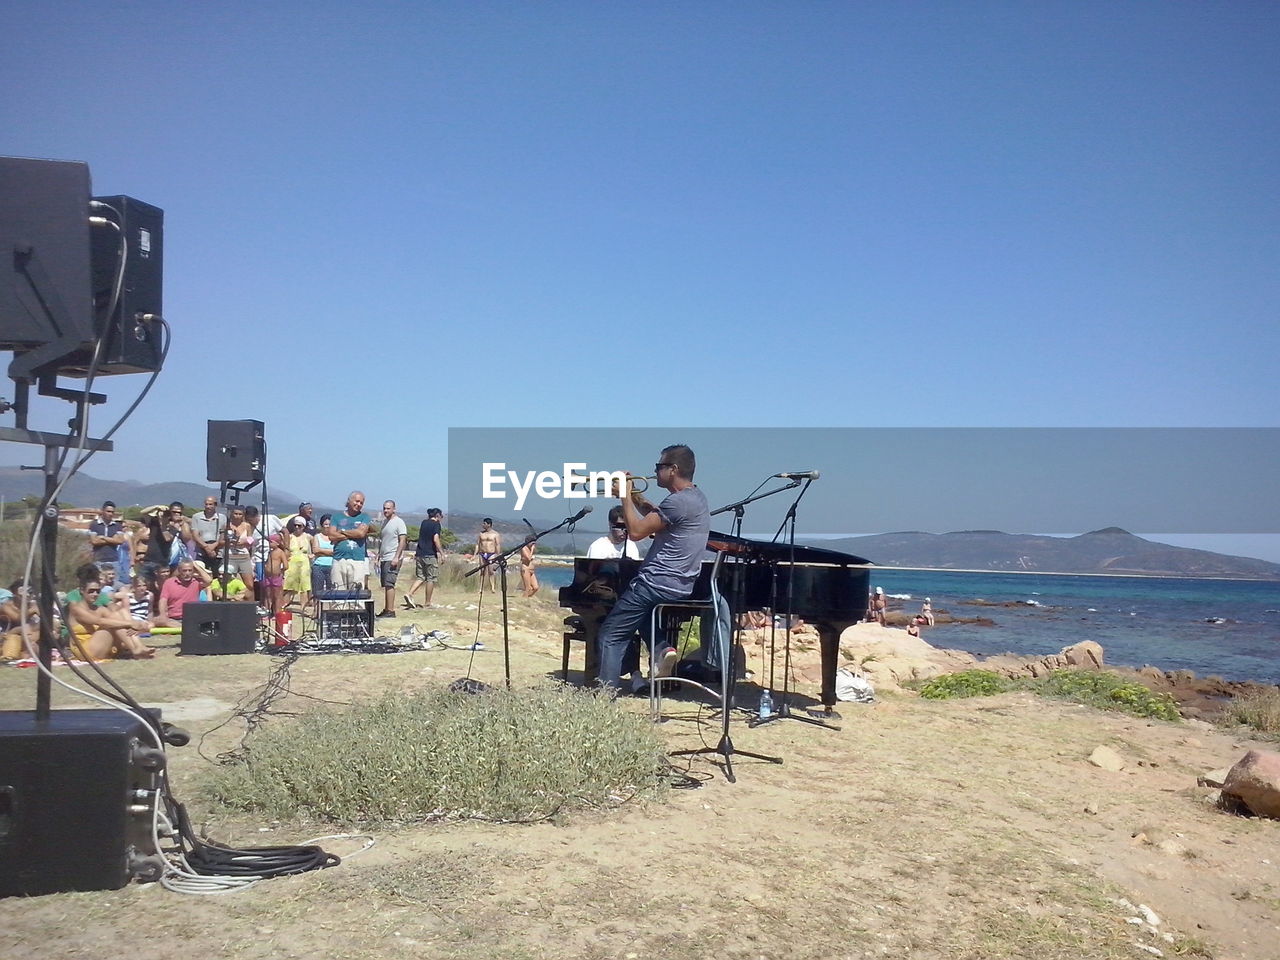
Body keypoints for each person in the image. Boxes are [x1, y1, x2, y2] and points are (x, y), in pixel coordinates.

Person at [595, 444, 710, 694]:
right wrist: (633, 493)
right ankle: (661, 649)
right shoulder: (695, 498)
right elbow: (653, 517)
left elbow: (635, 532)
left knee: (610, 636)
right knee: (639, 612)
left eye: (659, 466)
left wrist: (624, 495)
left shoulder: (678, 502)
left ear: (673, 469)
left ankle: (602, 702)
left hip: (655, 582)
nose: (655, 471)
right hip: (679, 585)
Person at [66, 573, 154, 660]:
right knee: (111, 624)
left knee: (121, 613)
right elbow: (99, 621)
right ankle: (135, 649)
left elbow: (117, 615)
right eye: (91, 591)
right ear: (82, 590)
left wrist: (135, 623)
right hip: (85, 648)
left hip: (100, 644)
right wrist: (131, 623)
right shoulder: (76, 608)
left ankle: (138, 646)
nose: (95, 594)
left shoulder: (99, 609)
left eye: (98, 591)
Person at [329, 491, 371, 591]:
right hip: (339, 559)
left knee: (356, 594)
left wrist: (342, 532)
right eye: (357, 501)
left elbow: (361, 533)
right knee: (337, 593)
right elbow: (331, 535)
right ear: (349, 500)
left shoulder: (365, 517)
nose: (359, 504)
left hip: (357, 560)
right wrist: (353, 534)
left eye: (361, 503)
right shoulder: (336, 517)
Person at [152, 559, 213, 627]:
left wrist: (196, 566)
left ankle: (183, 627)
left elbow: (209, 580)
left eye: (190, 570)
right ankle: (184, 627)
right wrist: (162, 615)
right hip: (173, 618)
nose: (187, 573)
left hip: (191, 618)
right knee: (157, 620)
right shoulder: (169, 582)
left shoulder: (196, 582)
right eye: (184, 570)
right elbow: (163, 600)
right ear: (179, 570)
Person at [405, 508, 445, 609]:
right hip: (430, 554)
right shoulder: (436, 524)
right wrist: (442, 553)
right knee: (430, 578)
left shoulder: (423, 522)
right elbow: (436, 539)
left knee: (420, 577)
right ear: (437, 516)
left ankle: (409, 593)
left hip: (420, 553)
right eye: (441, 516)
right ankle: (427, 602)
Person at [375, 500, 407, 618]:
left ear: (394, 509)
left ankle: (390, 610)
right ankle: (386, 608)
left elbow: (402, 540)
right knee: (385, 584)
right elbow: (382, 541)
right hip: (384, 557)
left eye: (388, 508)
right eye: (384, 508)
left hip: (393, 557)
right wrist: (378, 555)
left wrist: (396, 557)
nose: (385, 511)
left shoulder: (399, 522)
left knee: (389, 583)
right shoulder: (384, 523)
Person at [282, 515, 314, 610]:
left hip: (304, 562)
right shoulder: (290, 537)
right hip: (292, 561)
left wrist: (313, 555)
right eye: (295, 525)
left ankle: (303, 606)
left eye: (299, 526)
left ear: (303, 526)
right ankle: (285, 604)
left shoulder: (308, 537)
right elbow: (284, 548)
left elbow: (315, 547)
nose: (297, 527)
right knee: (288, 584)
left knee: (304, 584)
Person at [87, 500, 126, 577]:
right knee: (99, 581)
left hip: (113, 560)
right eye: (108, 511)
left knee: (114, 583)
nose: (110, 514)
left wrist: (103, 537)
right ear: (102, 511)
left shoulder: (117, 526)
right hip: (99, 560)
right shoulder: (95, 525)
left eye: (112, 512)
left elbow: (121, 540)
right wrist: (113, 539)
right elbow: (94, 541)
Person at [191, 496, 226, 577]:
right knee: (201, 575)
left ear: (215, 505)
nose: (208, 506)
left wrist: (214, 547)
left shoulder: (222, 517)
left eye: (210, 504)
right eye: (206, 504)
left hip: (217, 551)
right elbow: (195, 535)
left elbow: (223, 535)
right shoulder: (196, 517)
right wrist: (206, 548)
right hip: (201, 551)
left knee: (217, 576)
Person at [222, 505, 256, 588]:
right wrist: (231, 542)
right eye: (235, 513)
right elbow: (221, 541)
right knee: (228, 582)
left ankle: (249, 600)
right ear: (232, 514)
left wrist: (245, 541)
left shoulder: (247, 526)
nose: (237, 516)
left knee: (249, 584)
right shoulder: (227, 525)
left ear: (243, 515)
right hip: (230, 556)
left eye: (240, 514)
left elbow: (251, 539)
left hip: (244, 556)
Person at [311, 514, 335, 599]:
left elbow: (335, 552)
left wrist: (321, 551)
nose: (327, 526)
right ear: (322, 525)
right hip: (319, 566)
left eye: (329, 524)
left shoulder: (335, 537)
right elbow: (315, 550)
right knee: (317, 590)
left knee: (332, 590)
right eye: (325, 524)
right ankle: (316, 609)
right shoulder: (317, 536)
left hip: (332, 566)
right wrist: (329, 552)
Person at [475, 518, 501, 594]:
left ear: (489, 524)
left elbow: (498, 545)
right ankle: (480, 588)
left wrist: (497, 555)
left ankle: (492, 588)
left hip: (491, 554)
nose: (483, 525)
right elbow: (478, 544)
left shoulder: (495, 534)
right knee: (482, 571)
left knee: (491, 571)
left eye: (484, 523)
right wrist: (475, 554)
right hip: (482, 553)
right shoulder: (481, 533)